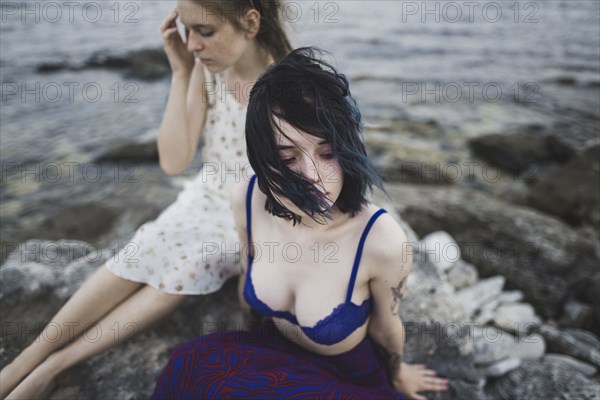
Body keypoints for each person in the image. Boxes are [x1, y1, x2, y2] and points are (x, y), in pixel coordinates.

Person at [0, 1, 292, 398]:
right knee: (145, 247)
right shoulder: (209, 72)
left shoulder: (287, 89)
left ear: (251, 22)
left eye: (204, 32)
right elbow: (173, 160)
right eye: (187, 31)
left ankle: (55, 366)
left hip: (252, 214)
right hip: (206, 196)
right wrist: (178, 73)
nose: (192, 45)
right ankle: (27, 359)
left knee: (190, 260)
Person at [151, 47, 449, 400]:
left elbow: (387, 328)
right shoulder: (248, 200)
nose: (313, 176)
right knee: (187, 365)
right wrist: (246, 349)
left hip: (345, 375)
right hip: (272, 349)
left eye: (328, 153)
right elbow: (249, 271)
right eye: (288, 158)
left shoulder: (380, 240)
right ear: (262, 159)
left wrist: (398, 374)